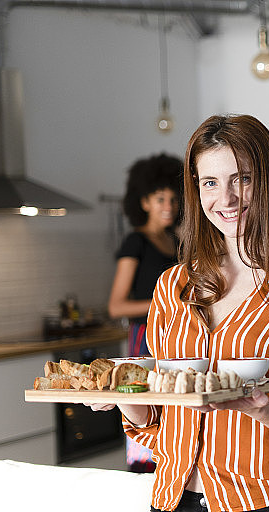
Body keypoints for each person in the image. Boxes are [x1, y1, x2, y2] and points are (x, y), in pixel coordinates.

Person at [92, 114, 269, 512]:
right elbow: (154, 423)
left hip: (261, 511)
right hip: (172, 510)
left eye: (242, 179)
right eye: (210, 182)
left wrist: (263, 410)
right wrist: (122, 393)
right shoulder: (173, 286)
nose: (227, 198)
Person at [108, 152, 183, 472]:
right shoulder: (135, 242)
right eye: (160, 198)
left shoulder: (176, 241)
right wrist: (165, 302)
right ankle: (143, 479)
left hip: (175, 340)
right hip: (144, 340)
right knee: (144, 414)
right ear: (144, 202)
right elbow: (117, 306)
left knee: (172, 418)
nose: (169, 206)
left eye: (174, 199)